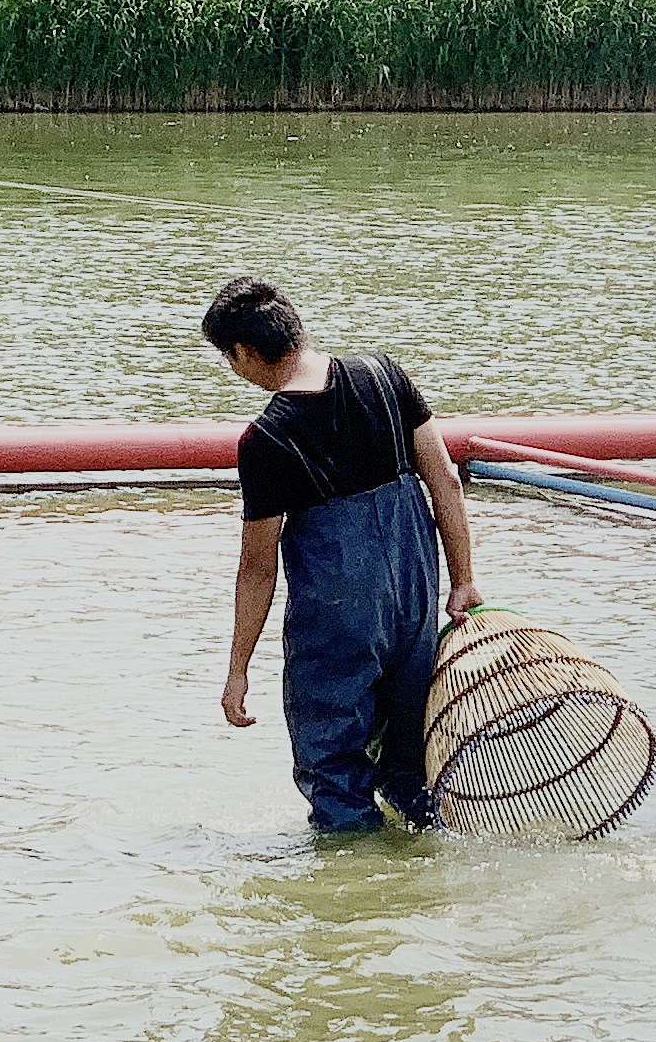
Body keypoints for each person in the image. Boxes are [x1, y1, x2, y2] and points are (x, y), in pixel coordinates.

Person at [204, 278, 483, 836]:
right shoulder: (385, 376)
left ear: (249, 353)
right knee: (412, 765)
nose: (236, 372)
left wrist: (237, 669)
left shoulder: (267, 440)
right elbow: (445, 481)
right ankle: (418, 883)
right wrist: (464, 581)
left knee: (334, 773)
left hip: (336, 623)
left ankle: (351, 903)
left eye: (230, 359)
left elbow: (258, 566)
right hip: (413, 602)